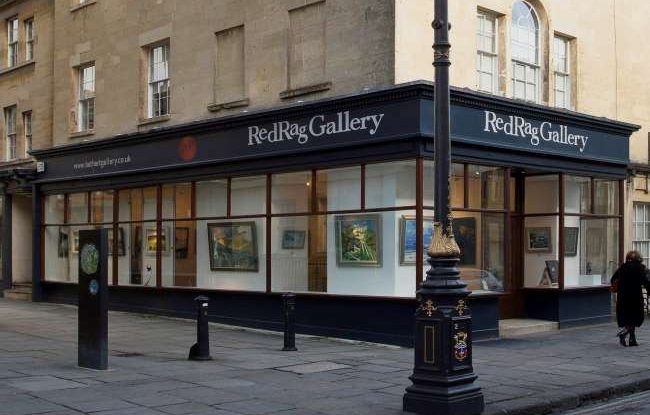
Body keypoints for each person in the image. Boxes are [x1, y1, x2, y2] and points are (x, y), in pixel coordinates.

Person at [610, 251, 650, 346]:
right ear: (638, 259)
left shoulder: (622, 268)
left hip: (623, 297)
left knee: (628, 318)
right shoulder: (640, 268)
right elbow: (645, 281)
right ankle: (624, 333)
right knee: (635, 318)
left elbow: (613, 279)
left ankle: (632, 339)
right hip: (635, 297)